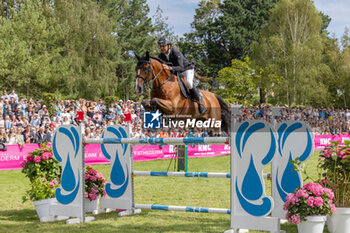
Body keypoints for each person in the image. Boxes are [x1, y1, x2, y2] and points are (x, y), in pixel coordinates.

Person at [157, 35, 207, 114]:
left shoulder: (176, 53)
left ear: (169, 45)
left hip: (186, 70)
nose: (162, 48)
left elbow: (181, 67)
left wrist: (170, 68)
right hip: (176, 73)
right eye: (160, 46)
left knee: (189, 83)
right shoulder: (160, 56)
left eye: (163, 46)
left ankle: (200, 102)